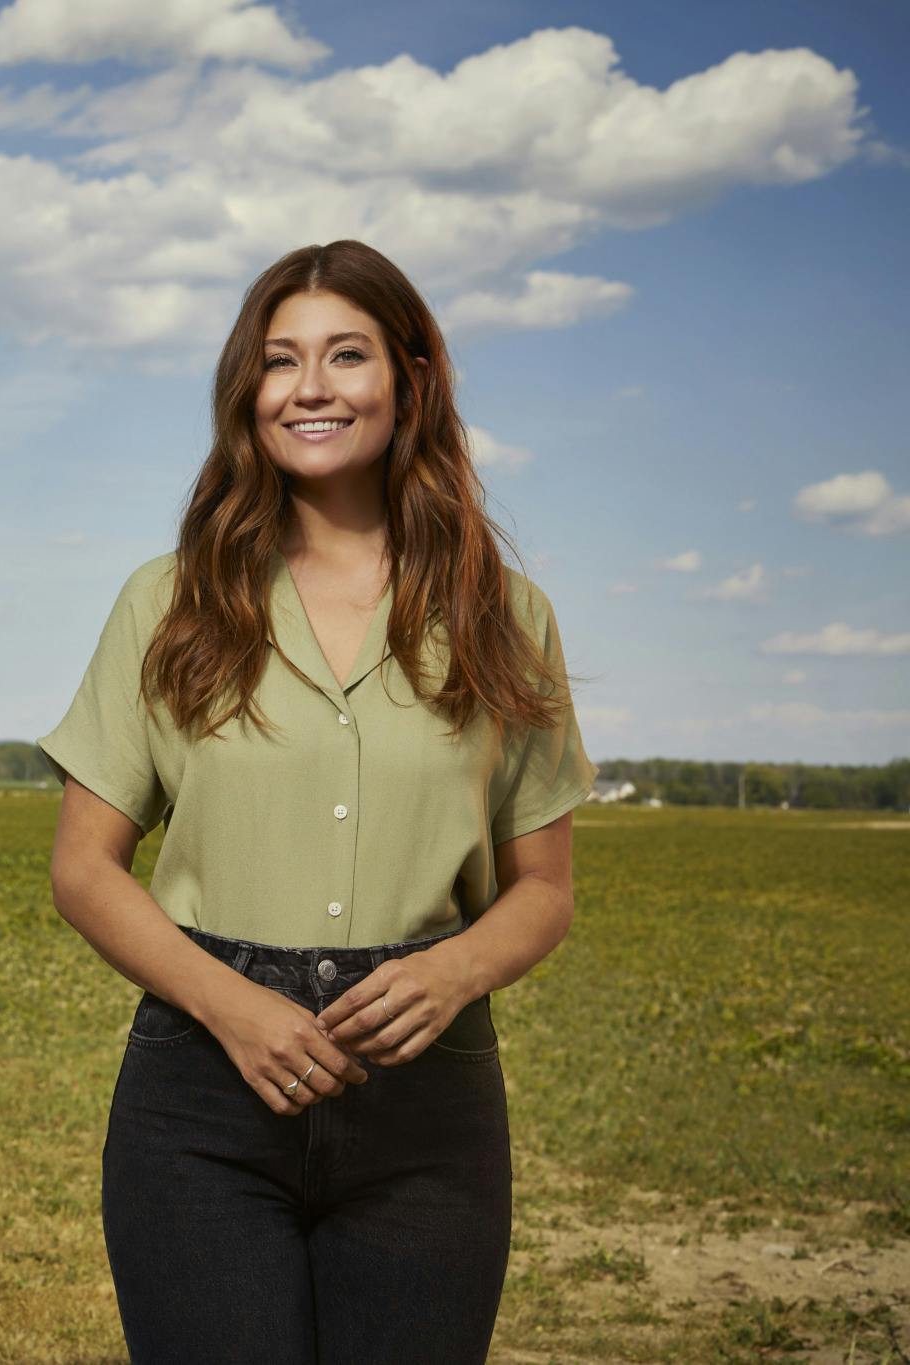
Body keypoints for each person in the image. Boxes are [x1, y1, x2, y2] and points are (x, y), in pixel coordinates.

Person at [37, 238, 597, 1363]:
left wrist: (452, 969)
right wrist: (231, 1007)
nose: (309, 388)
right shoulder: (170, 602)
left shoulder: (504, 615)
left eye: (345, 355)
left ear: (410, 379)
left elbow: (541, 892)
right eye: (279, 360)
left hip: (425, 1110)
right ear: (247, 391)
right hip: (202, 1100)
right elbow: (83, 868)